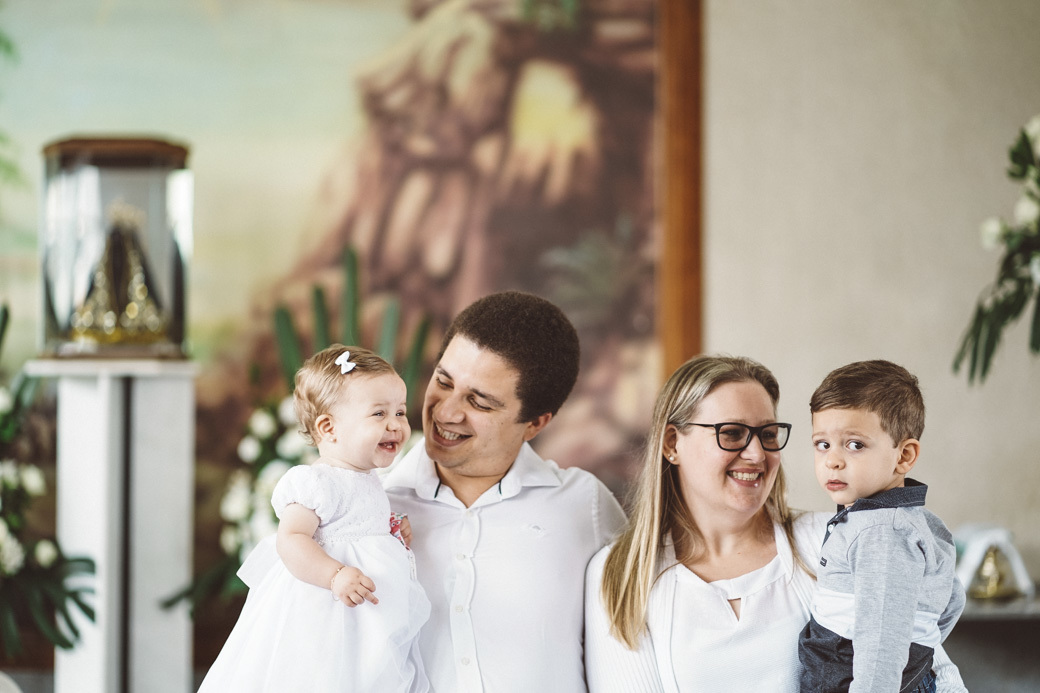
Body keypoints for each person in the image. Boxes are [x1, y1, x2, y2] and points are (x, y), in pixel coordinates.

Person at [583, 355, 967, 692]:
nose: (756, 453)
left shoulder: (834, 541)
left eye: (767, 435)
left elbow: (928, 664)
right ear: (671, 444)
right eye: (731, 433)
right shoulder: (621, 574)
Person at [383, 291, 627, 692]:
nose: (446, 412)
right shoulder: (376, 502)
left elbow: (639, 636)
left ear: (535, 423)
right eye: (443, 382)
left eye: (480, 402)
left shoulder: (585, 506)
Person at [199, 346, 430, 692]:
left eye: (399, 411)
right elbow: (290, 539)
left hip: (366, 612)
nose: (396, 424)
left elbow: (359, 529)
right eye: (379, 414)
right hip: (327, 611)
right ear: (329, 428)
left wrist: (392, 529)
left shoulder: (370, 480)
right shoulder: (315, 482)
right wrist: (334, 574)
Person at [798, 360, 965, 692]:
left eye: (855, 444)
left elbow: (881, 642)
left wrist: (910, 654)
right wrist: (922, 641)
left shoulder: (881, 532)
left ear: (903, 456)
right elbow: (953, 597)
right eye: (823, 444)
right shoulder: (911, 520)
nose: (832, 460)